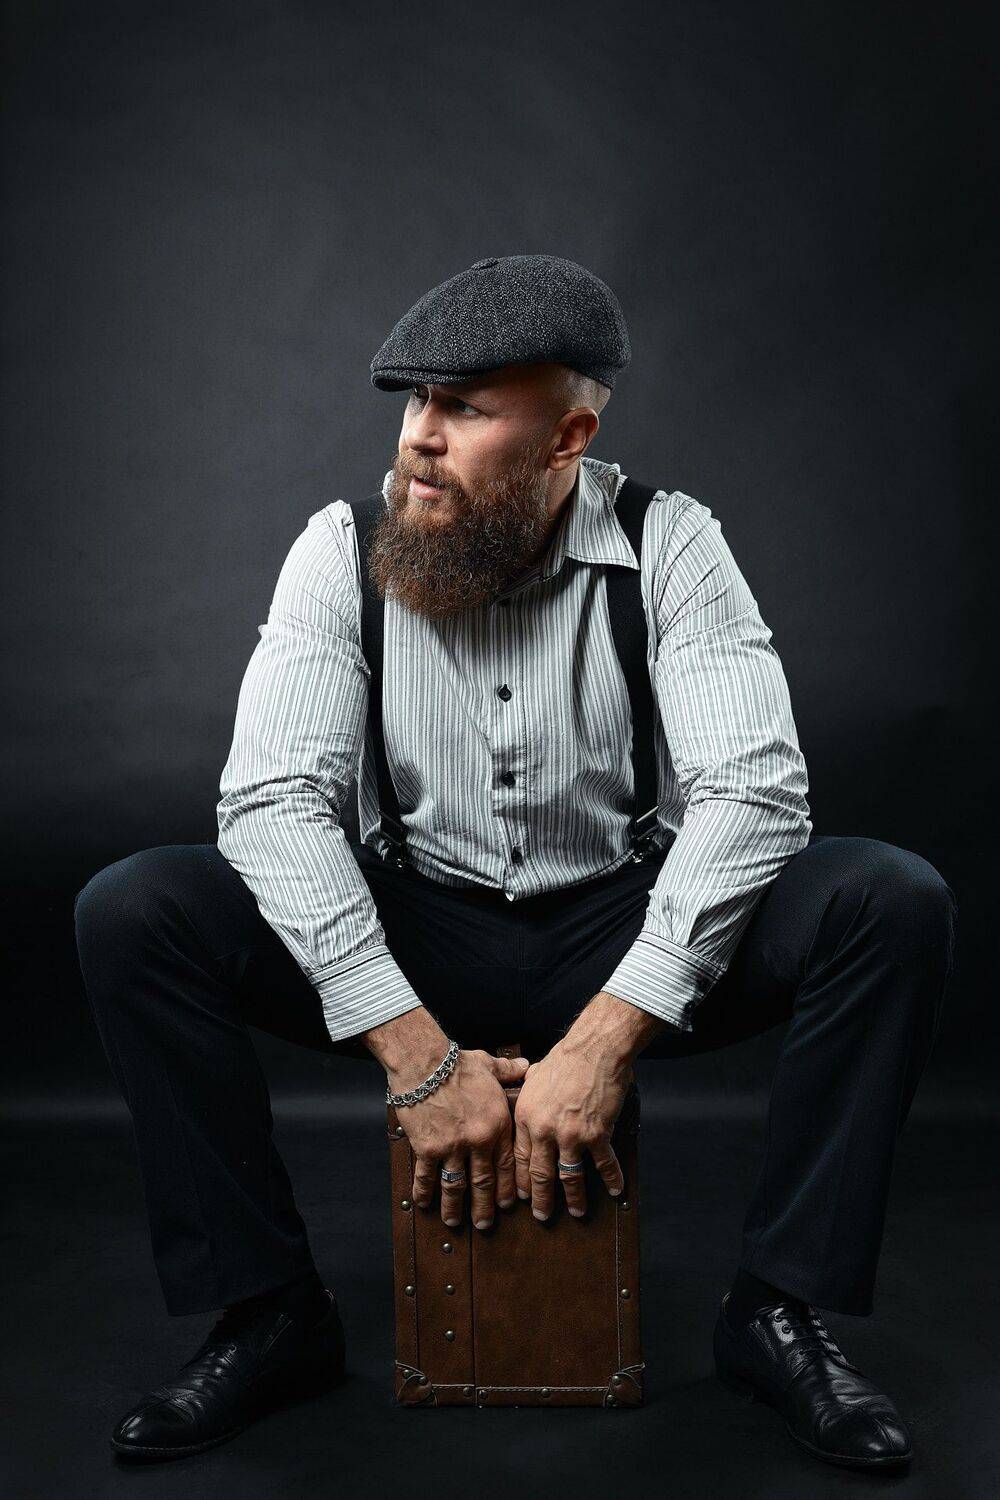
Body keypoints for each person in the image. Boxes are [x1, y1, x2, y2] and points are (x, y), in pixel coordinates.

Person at [74, 254, 957, 1470]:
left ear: (567, 439)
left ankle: (777, 1312)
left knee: (888, 900)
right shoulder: (338, 548)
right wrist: (415, 1056)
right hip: (417, 932)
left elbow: (753, 791)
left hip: (620, 925)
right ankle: (269, 1311)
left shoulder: (671, 541)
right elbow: (272, 799)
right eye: (415, 402)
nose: (419, 439)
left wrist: (606, 1037)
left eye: (465, 408)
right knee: (134, 909)